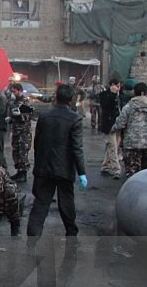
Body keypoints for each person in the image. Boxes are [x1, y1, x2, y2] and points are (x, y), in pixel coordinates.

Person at [27, 84, 86, 238]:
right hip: (64, 168)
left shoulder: (44, 117)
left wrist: (37, 166)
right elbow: (76, 148)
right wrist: (82, 173)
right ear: (71, 99)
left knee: (40, 204)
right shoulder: (75, 119)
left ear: (56, 97)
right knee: (66, 202)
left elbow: (37, 143)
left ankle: (32, 237)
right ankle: (71, 233)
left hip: (44, 167)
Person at [112, 82, 147, 177]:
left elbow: (120, 124)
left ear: (135, 92)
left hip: (132, 144)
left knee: (132, 174)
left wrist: (112, 129)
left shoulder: (129, 106)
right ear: (146, 92)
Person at [7, 82, 34, 181]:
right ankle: (19, 171)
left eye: (14, 91)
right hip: (16, 131)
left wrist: (20, 115)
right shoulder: (13, 102)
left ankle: (23, 173)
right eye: (12, 92)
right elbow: (12, 114)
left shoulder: (26, 102)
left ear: (19, 91)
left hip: (24, 132)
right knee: (16, 151)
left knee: (23, 153)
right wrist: (11, 118)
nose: (13, 93)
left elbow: (29, 116)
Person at [98, 79, 124, 179]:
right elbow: (105, 106)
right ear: (111, 85)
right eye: (117, 86)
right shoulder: (104, 95)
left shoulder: (120, 95)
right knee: (112, 146)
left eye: (119, 86)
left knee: (114, 146)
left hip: (118, 124)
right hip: (109, 124)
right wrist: (112, 94)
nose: (118, 88)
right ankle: (116, 169)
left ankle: (105, 166)